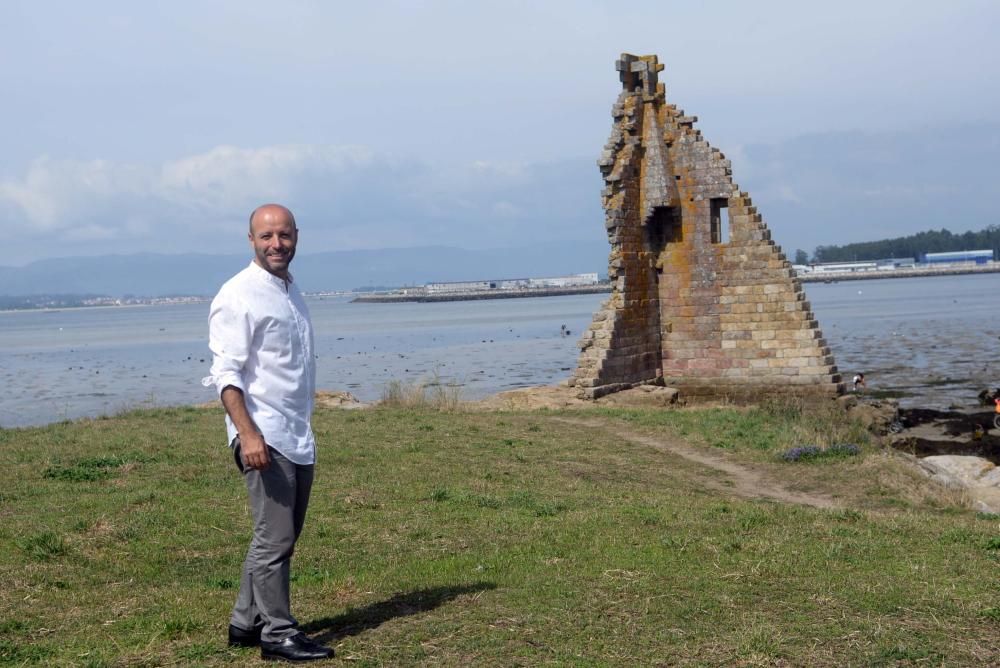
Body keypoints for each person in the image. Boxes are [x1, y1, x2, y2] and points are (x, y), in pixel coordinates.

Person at [202, 204, 334, 662]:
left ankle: (246, 621)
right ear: (251, 240)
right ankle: (277, 633)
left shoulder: (289, 290)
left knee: (276, 535)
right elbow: (226, 374)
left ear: (297, 235)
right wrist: (248, 433)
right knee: (274, 539)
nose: (276, 244)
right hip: (264, 435)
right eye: (266, 236)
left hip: (297, 432)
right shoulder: (238, 294)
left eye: (284, 235)